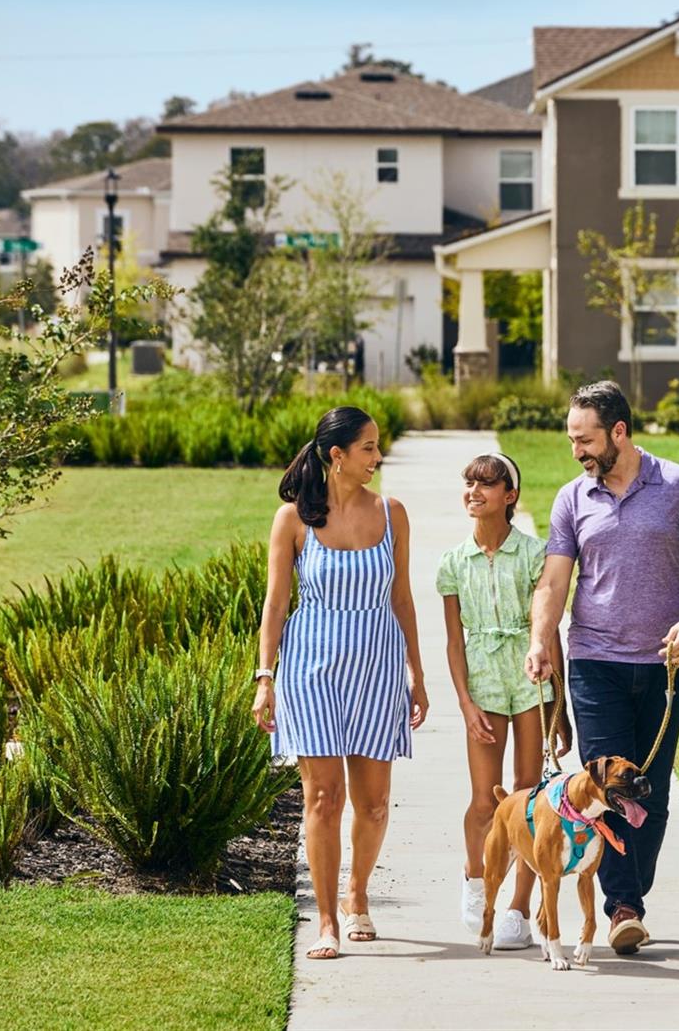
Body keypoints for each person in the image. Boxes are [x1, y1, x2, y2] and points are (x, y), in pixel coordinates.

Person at [525, 381, 679, 954]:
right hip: (595, 663)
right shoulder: (572, 498)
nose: (577, 452)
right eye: (571, 440)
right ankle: (623, 907)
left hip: (664, 668)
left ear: (619, 432)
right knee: (609, 789)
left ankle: (630, 896)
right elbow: (554, 581)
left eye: (585, 440)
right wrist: (543, 639)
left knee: (651, 792)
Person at [252, 406, 429, 960]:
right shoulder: (294, 519)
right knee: (324, 798)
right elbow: (276, 604)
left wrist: (417, 675)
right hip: (311, 670)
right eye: (369, 448)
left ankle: (358, 896)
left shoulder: (391, 513)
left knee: (373, 804)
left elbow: (402, 598)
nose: (377, 458)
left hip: (378, 667)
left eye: (377, 447)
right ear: (337, 456)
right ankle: (327, 920)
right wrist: (265, 677)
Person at [438, 451, 571, 951]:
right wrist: (465, 703)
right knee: (484, 797)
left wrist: (559, 707)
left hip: (531, 681)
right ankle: (478, 881)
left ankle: (519, 905)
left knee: (528, 795)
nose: (474, 492)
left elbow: (550, 630)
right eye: (469, 483)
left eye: (486, 485)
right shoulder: (453, 562)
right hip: (484, 682)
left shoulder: (536, 554)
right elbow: (453, 642)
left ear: (509, 496)